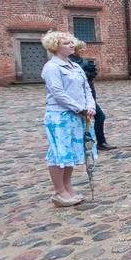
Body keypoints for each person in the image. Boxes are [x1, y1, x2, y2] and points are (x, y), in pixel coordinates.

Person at [41, 30, 95, 206]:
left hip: (77, 115)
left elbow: (86, 88)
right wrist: (80, 108)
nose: (72, 45)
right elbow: (58, 93)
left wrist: (90, 106)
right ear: (55, 46)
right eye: (66, 43)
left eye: (72, 42)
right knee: (59, 152)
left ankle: (68, 187)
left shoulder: (75, 66)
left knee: (69, 152)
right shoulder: (52, 67)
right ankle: (59, 191)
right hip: (60, 115)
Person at [70, 40, 116, 150]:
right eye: (80, 48)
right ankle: (95, 142)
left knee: (98, 117)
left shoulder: (81, 60)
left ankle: (99, 142)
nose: (83, 50)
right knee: (96, 117)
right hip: (80, 97)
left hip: (89, 94)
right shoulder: (72, 62)